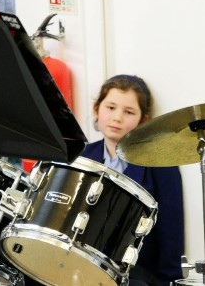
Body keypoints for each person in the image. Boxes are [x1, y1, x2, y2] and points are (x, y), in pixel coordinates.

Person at [81, 74, 184, 286]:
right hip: (81, 263)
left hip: (134, 273)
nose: (117, 118)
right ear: (96, 109)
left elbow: (170, 233)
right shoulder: (81, 158)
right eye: (110, 108)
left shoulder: (162, 164)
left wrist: (170, 281)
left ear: (143, 120)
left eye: (128, 112)